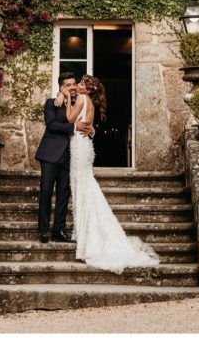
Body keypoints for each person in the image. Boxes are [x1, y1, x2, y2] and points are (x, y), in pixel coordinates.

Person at [58, 73, 160, 273]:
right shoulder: (91, 102)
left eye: (80, 83)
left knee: (82, 188)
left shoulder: (80, 99)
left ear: (87, 89)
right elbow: (88, 125)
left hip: (79, 147)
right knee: (84, 187)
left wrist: (69, 100)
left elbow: (70, 119)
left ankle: (87, 238)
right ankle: (83, 234)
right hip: (84, 146)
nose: (76, 85)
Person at [34, 72, 93, 244]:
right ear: (61, 87)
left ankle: (58, 230)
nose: (73, 87)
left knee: (64, 194)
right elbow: (51, 125)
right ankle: (43, 230)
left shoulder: (80, 102)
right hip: (50, 155)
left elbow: (88, 121)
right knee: (46, 192)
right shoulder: (52, 103)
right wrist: (74, 127)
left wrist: (91, 131)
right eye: (68, 85)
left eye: (74, 84)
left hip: (71, 156)